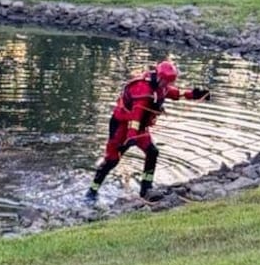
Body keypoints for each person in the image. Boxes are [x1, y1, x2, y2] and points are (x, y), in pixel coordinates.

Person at [86, 60, 210, 201]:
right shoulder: (143, 89)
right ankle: (92, 191)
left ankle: (146, 189)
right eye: (165, 81)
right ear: (159, 76)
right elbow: (136, 114)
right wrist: (131, 136)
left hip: (138, 128)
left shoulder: (160, 86)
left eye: (168, 82)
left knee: (152, 152)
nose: (166, 84)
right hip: (122, 126)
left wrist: (195, 95)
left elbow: (175, 93)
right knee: (112, 160)